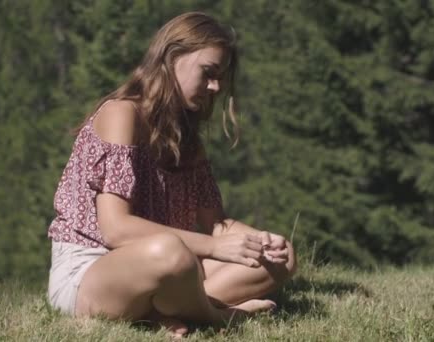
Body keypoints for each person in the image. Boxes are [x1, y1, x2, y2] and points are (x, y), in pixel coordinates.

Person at [47, 11, 296, 337]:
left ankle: (163, 313)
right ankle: (219, 317)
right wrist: (213, 246)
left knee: (282, 259)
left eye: (219, 77)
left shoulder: (188, 141)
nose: (215, 86)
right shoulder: (122, 114)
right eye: (208, 72)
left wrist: (260, 241)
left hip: (167, 263)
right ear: (172, 56)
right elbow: (116, 230)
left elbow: (216, 226)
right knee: (170, 252)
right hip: (90, 272)